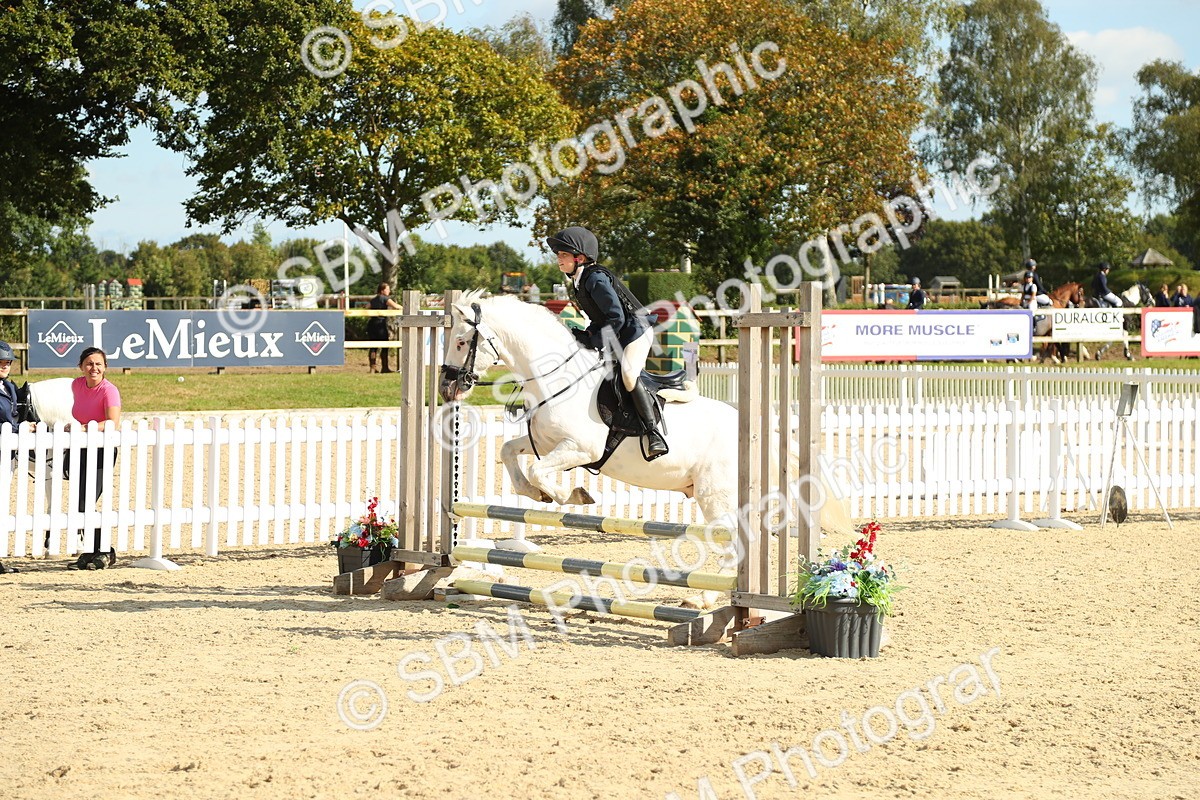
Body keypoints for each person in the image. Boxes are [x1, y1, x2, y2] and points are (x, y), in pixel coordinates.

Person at [547, 226, 668, 459]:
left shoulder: (595, 278)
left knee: (628, 375)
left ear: (580, 257)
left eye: (563, 254)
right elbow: (600, 318)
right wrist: (586, 335)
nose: (558, 259)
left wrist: (595, 340)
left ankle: (653, 432)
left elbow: (616, 317)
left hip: (635, 331)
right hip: (620, 331)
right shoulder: (580, 281)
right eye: (558, 255)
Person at [65, 347, 121, 570]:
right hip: (80, 448)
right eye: (89, 363)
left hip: (101, 451)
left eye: (98, 364)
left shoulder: (110, 391)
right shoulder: (76, 385)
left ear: (105, 367)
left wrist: (84, 428)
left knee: (87, 501)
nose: (94, 368)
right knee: (79, 504)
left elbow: (112, 422)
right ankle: (92, 550)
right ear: (81, 367)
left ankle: (106, 551)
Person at [0, 341, 17, 575]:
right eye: (1, 362)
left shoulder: (9, 387)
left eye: (8, 362)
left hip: (7, 454)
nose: (4, 366)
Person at [367, 283, 400, 373]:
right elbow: (396, 306)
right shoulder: (385, 298)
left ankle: (372, 368)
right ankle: (385, 367)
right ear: (382, 290)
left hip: (372, 324)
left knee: (373, 347)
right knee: (385, 345)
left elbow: (366, 307)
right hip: (380, 324)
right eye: (387, 289)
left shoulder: (373, 300)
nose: (389, 291)